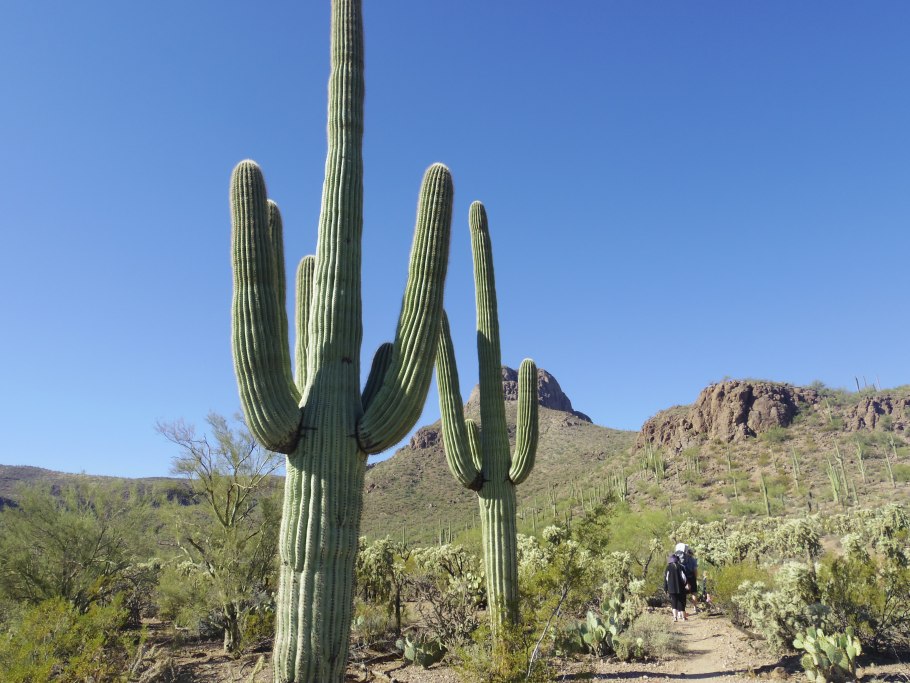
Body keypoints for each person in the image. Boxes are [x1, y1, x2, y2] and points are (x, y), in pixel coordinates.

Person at [664, 553, 688, 622]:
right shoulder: (681, 567)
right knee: (681, 602)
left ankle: (675, 617)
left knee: (673, 602)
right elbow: (684, 578)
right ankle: (683, 618)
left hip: (671, 588)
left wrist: (665, 588)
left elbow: (666, 579)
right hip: (680, 588)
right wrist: (684, 584)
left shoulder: (668, 568)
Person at [683, 547, 699, 613]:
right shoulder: (693, 560)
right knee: (694, 592)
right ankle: (695, 607)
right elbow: (695, 570)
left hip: (684, 577)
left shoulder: (682, 559)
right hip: (692, 577)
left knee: (683, 593)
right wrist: (695, 577)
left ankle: (683, 609)